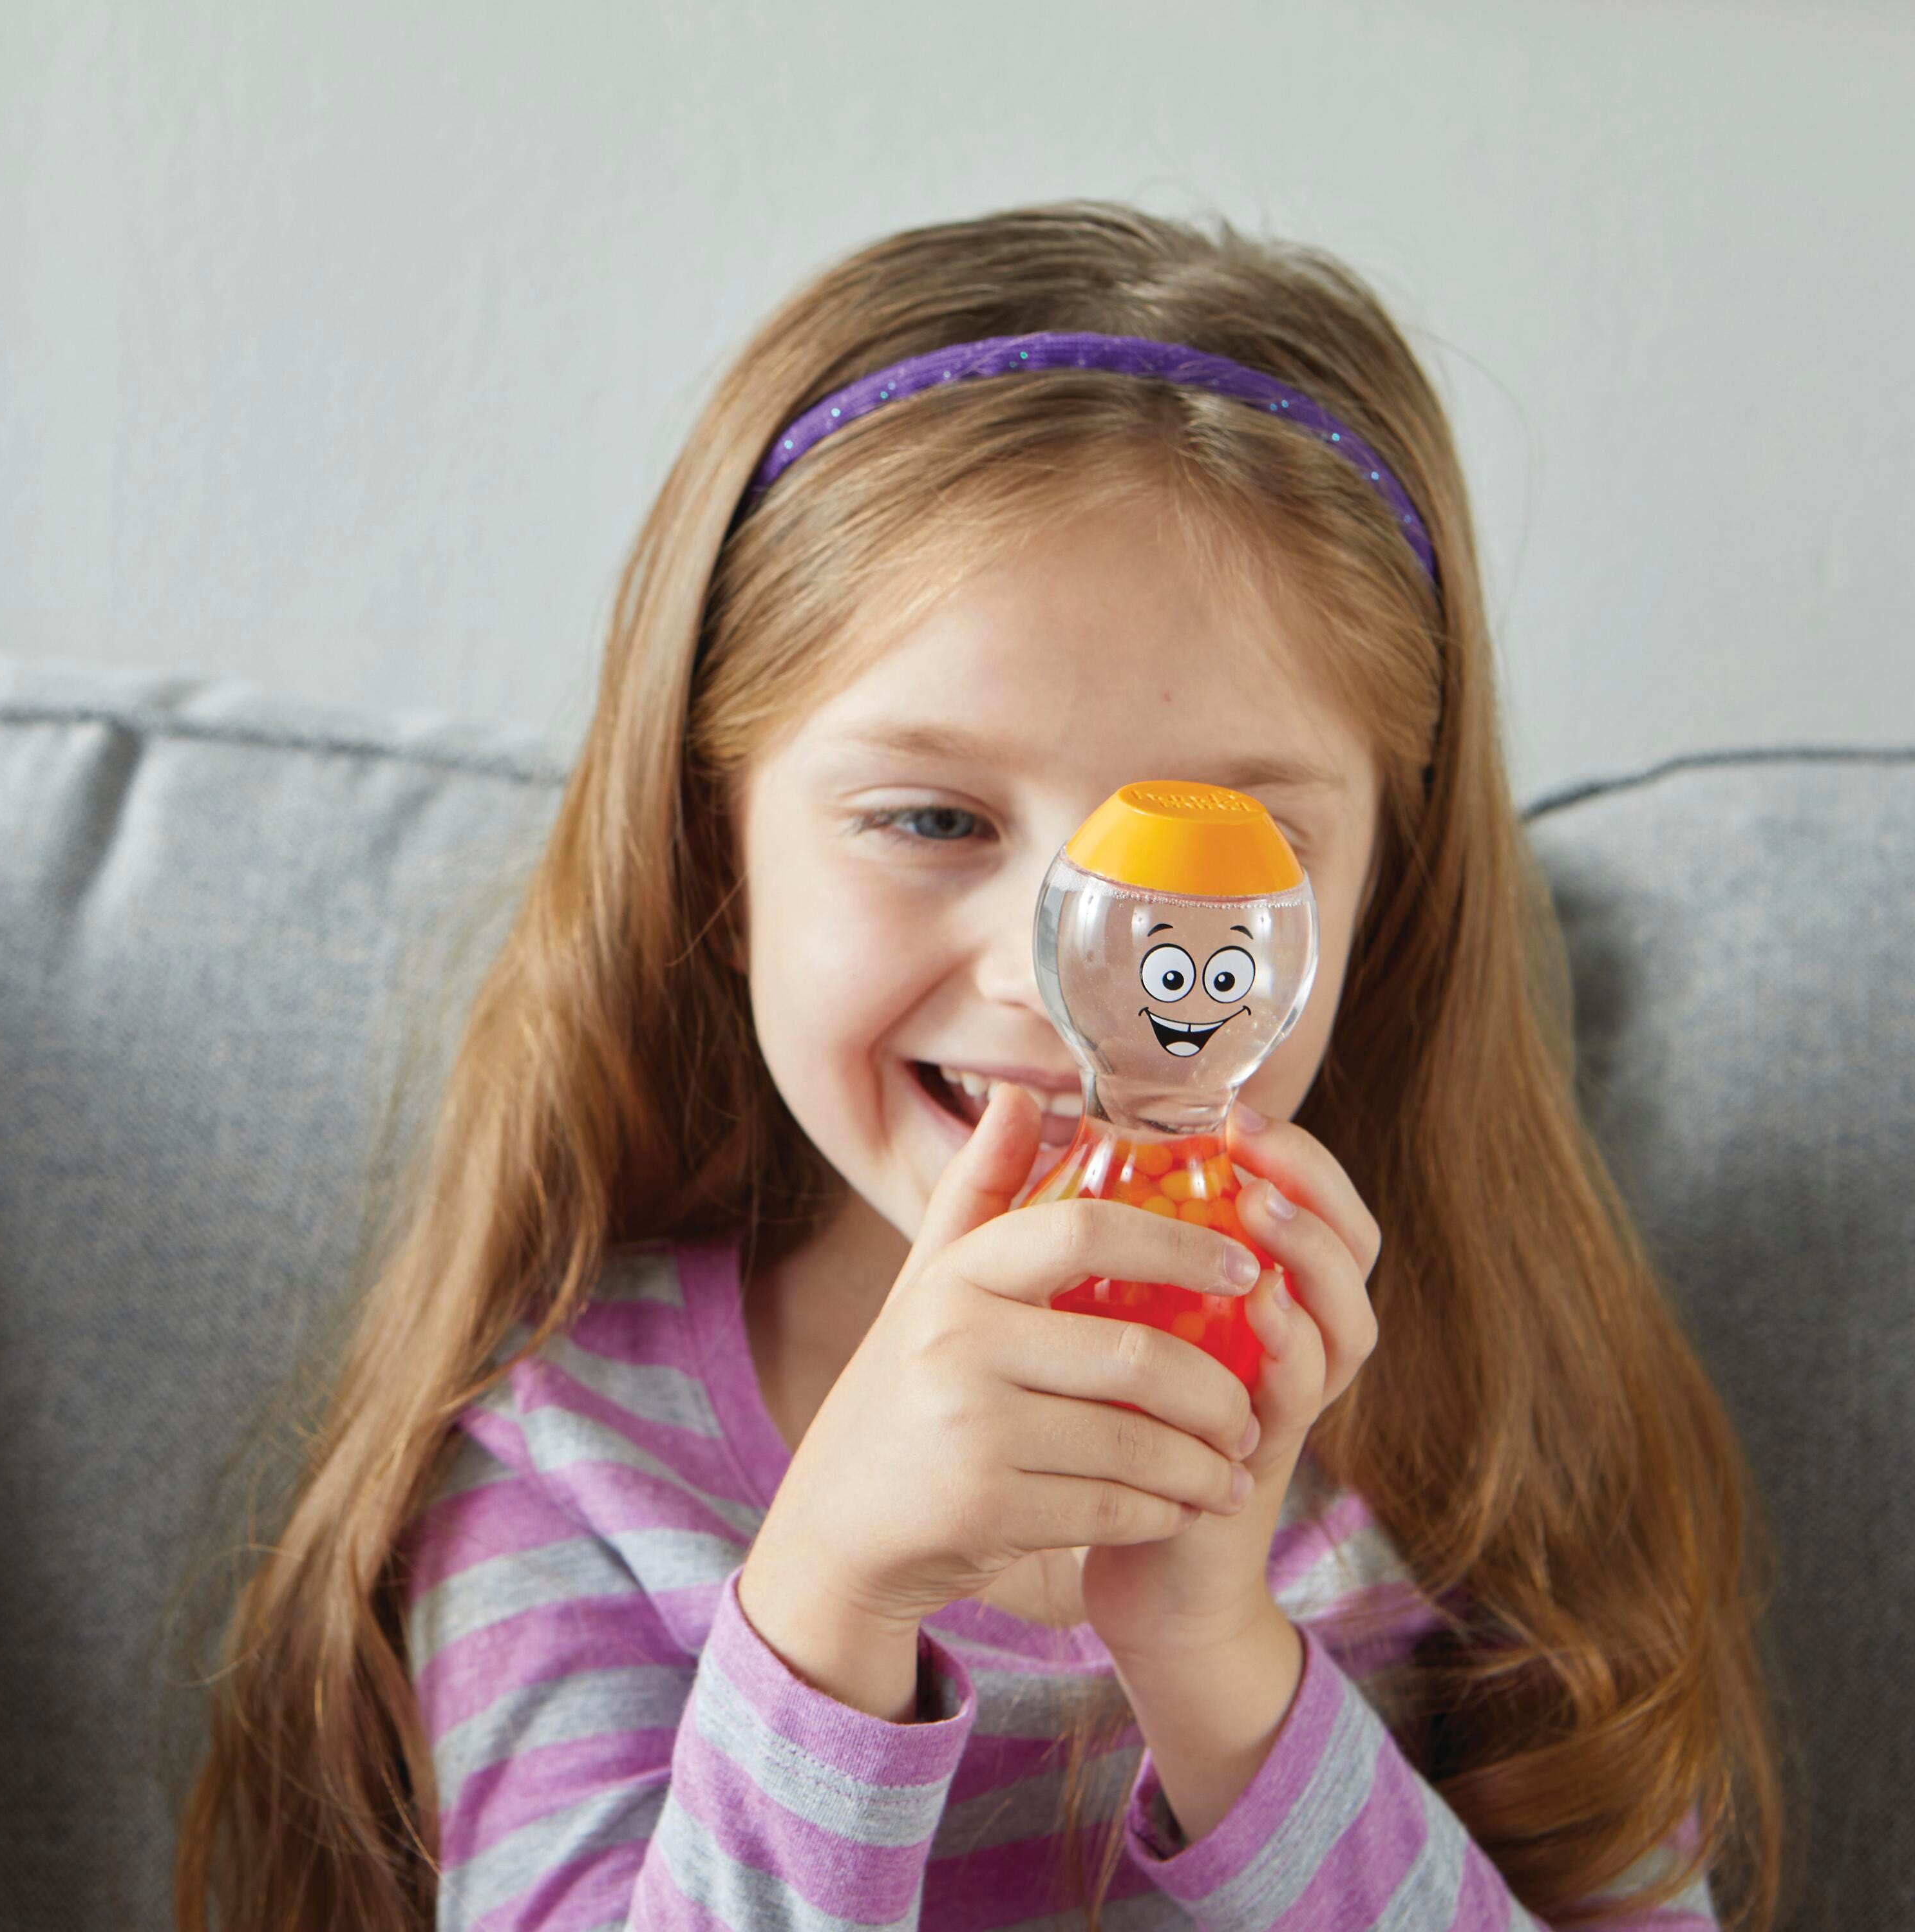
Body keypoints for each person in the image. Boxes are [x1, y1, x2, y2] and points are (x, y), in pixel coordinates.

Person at [168, 202, 1790, 1932]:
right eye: (935, 821)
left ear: (1381, 899)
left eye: (1209, 866)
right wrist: (830, 1609)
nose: (1072, 984)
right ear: (715, 859)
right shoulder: (574, 1468)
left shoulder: (1481, 1433)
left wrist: (1219, 1666)